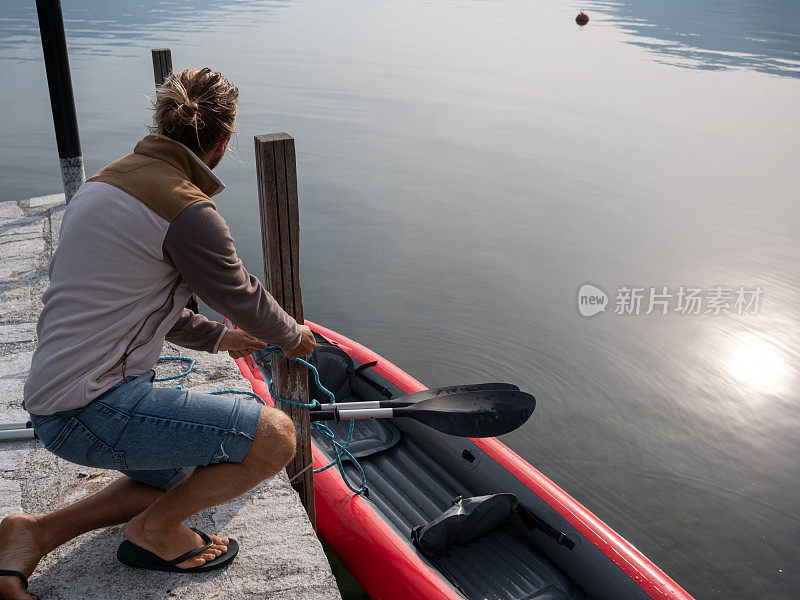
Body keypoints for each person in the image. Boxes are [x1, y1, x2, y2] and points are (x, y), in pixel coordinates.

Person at [0, 67, 316, 600]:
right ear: (222, 141)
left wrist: (218, 340)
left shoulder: (110, 181)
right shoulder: (185, 207)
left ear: (163, 121)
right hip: (90, 408)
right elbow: (241, 295)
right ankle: (153, 532)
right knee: (273, 437)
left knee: (175, 475)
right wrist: (292, 336)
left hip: (56, 399)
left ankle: (34, 532)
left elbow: (131, 302)